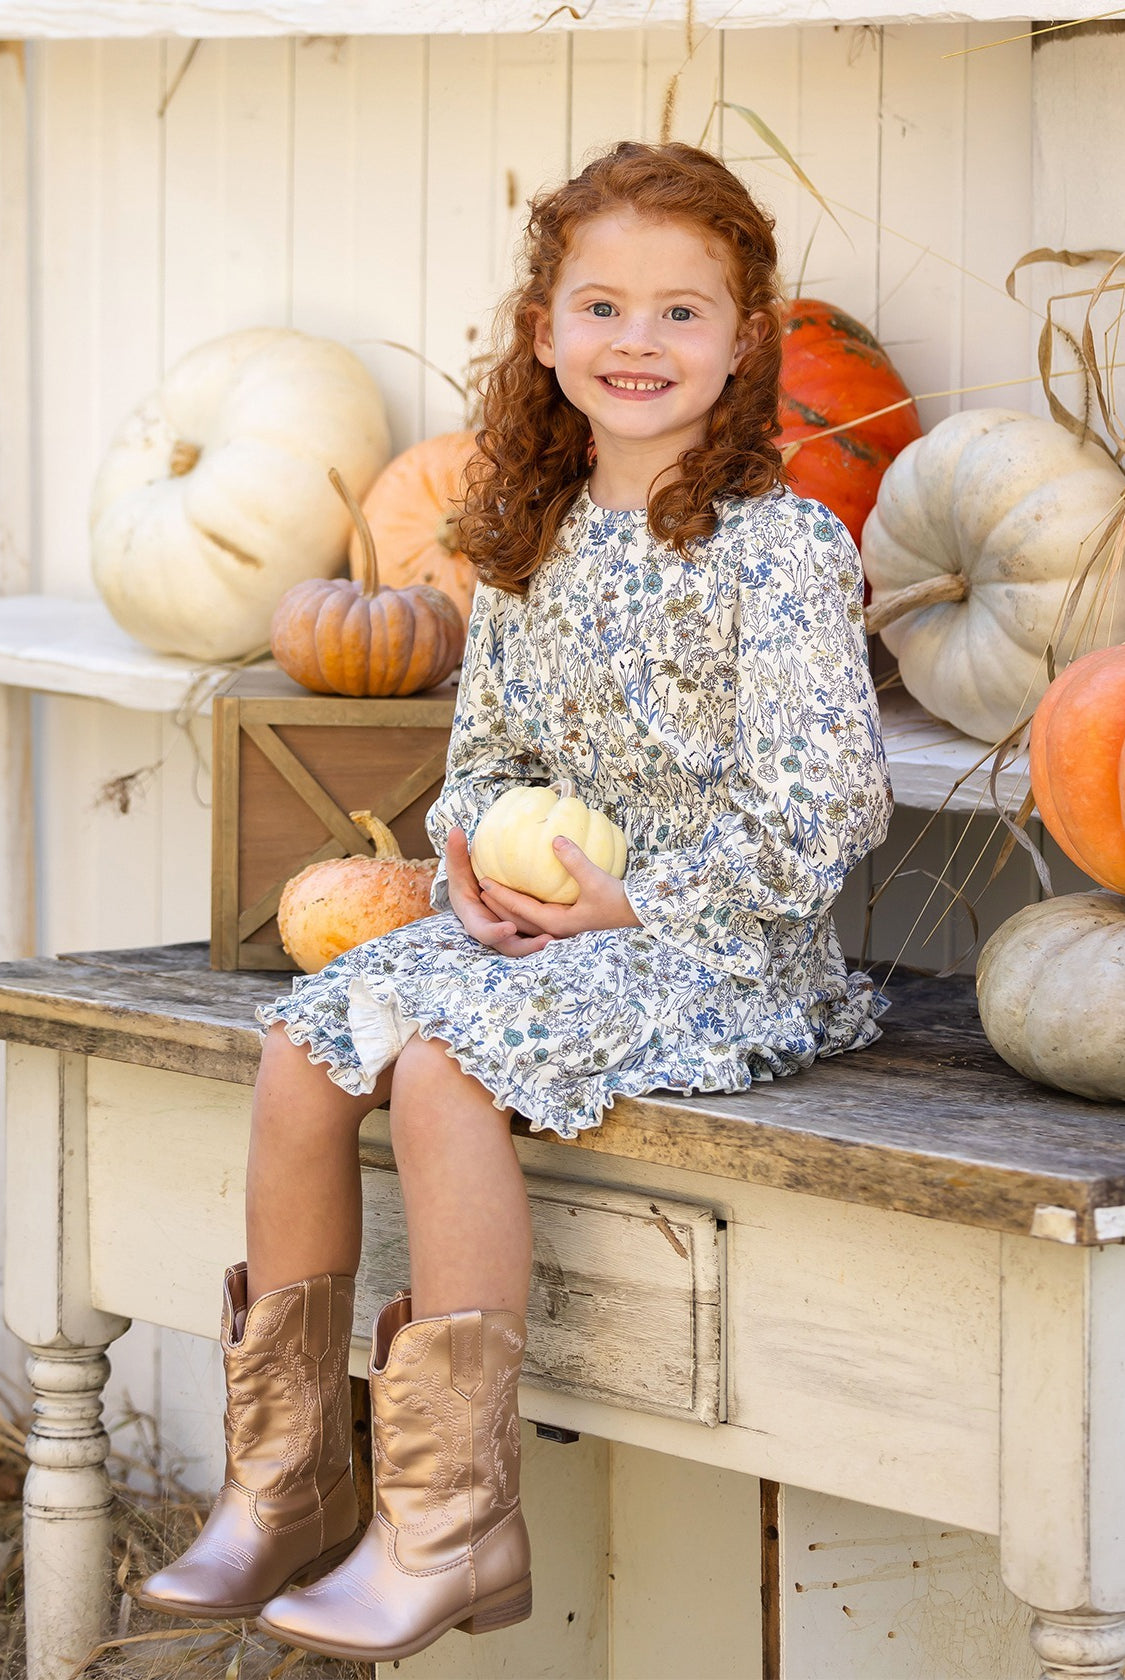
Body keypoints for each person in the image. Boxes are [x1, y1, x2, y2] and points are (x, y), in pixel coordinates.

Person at [138, 139, 893, 1664]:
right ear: (540, 330)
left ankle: (453, 1518)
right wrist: (472, 860)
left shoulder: (780, 549)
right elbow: (486, 761)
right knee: (305, 1044)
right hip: (550, 925)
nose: (636, 342)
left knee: (438, 1059)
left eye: (681, 313)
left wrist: (636, 903)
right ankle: (286, 1479)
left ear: (746, 343)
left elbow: (830, 811)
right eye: (600, 306)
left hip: (723, 944)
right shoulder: (526, 539)